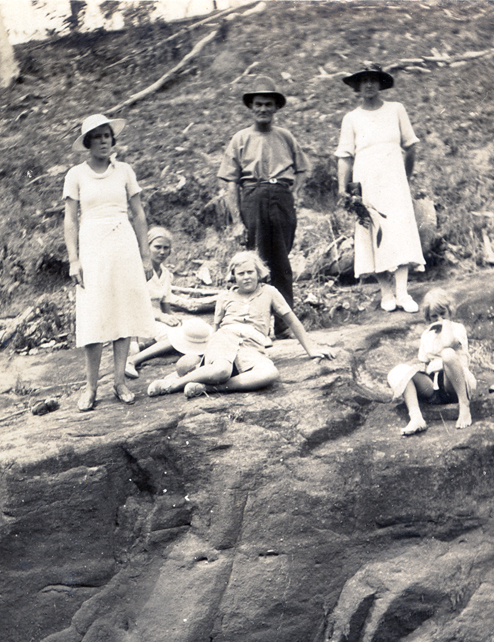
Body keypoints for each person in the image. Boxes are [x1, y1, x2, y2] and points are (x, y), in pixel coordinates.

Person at [146, 251, 334, 399]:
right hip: (225, 338)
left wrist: (311, 349)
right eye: (241, 274)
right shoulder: (226, 296)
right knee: (221, 370)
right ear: (233, 276)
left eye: (250, 272)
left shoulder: (269, 292)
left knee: (269, 373)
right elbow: (217, 329)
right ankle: (175, 384)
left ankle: (208, 388)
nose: (246, 277)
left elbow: (291, 320)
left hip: (252, 345)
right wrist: (207, 354)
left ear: (258, 273)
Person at [63, 113, 155, 410]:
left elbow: (138, 214)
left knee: (123, 310)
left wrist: (145, 255)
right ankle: (90, 388)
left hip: (123, 243)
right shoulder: (75, 174)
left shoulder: (124, 170)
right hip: (92, 246)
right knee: (94, 314)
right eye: (97, 137)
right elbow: (69, 221)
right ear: (87, 142)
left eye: (107, 136)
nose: (103, 141)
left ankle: (119, 381)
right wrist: (74, 259)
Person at [335, 65, 425, 313]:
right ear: (357, 86)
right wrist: (343, 188)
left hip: (394, 181)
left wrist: (404, 176)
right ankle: (386, 292)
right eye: (363, 80)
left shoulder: (396, 110)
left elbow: (411, 145)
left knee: (400, 231)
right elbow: (344, 156)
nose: (369, 85)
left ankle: (403, 292)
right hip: (367, 184)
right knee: (372, 233)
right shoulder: (351, 118)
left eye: (373, 80)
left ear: (381, 83)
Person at [217, 75, 308, 316]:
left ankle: (284, 320)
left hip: (281, 198)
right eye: (258, 104)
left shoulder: (285, 136)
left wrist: (292, 193)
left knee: (281, 261)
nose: (263, 109)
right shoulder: (240, 138)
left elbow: (302, 169)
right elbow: (231, 182)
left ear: (276, 107)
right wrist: (237, 220)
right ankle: (256, 318)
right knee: (254, 262)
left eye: (268, 104)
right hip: (253, 197)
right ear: (251, 107)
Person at [124, 226, 211, 379]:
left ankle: (146, 345)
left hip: (155, 319)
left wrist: (174, 320)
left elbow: (166, 304)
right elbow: (133, 303)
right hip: (136, 318)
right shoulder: (136, 270)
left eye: (166, 248)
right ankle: (133, 360)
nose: (162, 252)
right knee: (175, 337)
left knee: (193, 328)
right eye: (157, 247)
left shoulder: (165, 274)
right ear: (147, 247)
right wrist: (162, 317)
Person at [387, 289, 476, 435]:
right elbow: (423, 362)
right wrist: (417, 377)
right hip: (434, 389)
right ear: (428, 318)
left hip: (454, 384)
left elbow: (448, 343)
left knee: (447, 354)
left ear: (450, 311)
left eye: (443, 314)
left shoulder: (457, 329)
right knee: (397, 371)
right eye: (434, 317)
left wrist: (445, 324)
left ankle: (464, 405)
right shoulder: (427, 334)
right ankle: (416, 417)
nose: (439, 319)